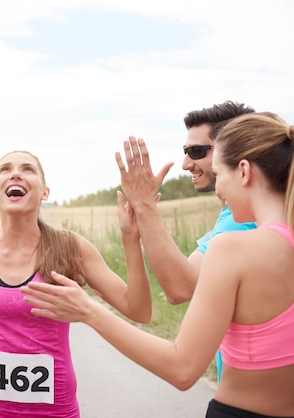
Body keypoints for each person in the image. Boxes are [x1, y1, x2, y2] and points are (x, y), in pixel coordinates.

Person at [22, 112, 294, 417]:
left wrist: (89, 311)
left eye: (219, 174)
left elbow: (182, 368)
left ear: (243, 171)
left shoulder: (231, 249)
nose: (218, 191)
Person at [0, 150, 152, 417]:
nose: (15, 173)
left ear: (44, 192)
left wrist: (131, 241)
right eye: (5, 169)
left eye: (27, 169)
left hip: (54, 410)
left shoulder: (70, 247)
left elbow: (137, 310)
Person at [116, 101, 257, 383]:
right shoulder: (236, 214)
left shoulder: (246, 218)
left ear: (235, 151)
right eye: (185, 152)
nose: (185, 164)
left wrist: (144, 205)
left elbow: (181, 287)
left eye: (196, 151)